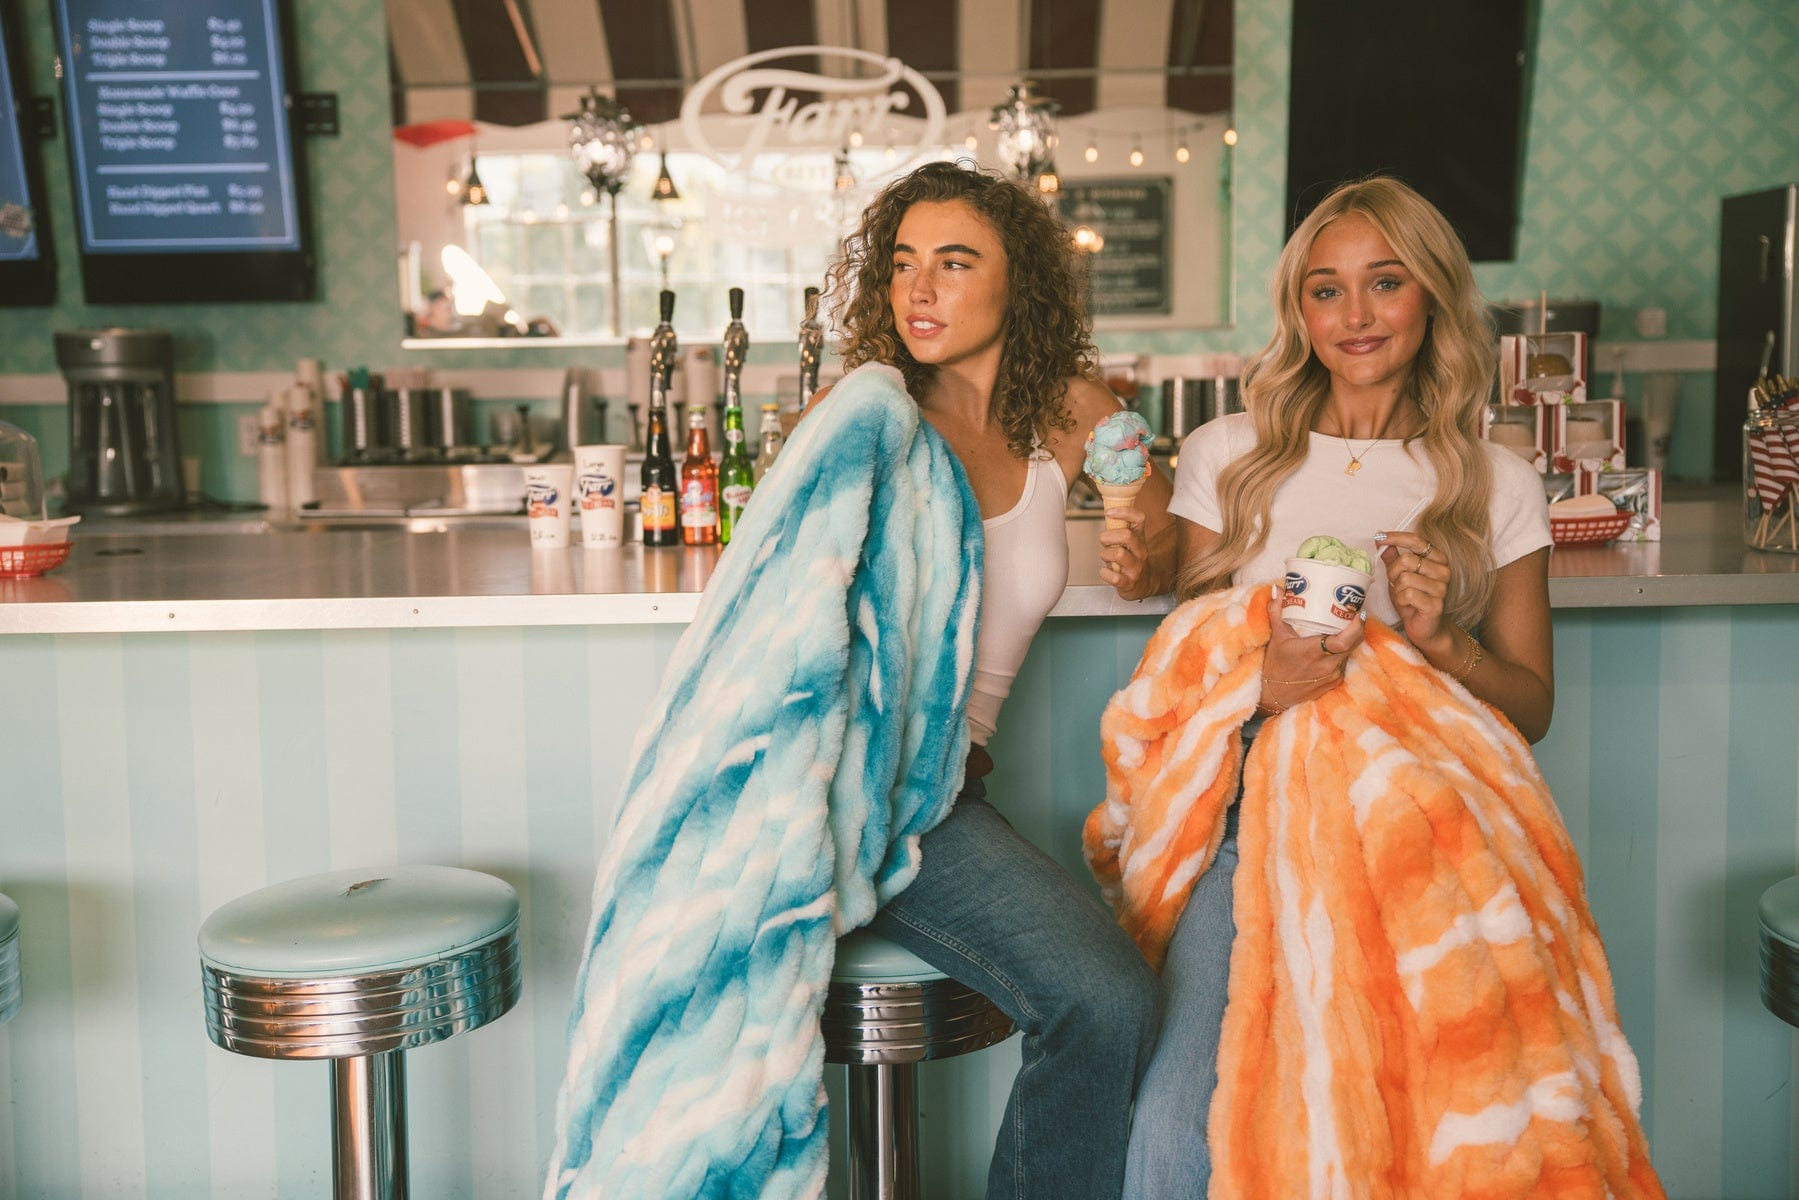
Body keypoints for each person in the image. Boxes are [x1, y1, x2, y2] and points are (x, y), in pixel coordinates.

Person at [1122, 175, 1554, 1197]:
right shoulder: (1228, 458)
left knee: (1399, 1133)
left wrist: (1442, 641)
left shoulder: (1494, 481)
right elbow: (1181, 678)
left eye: (1384, 283)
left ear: (1432, 296)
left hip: (1425, 837)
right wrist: (1266, 686)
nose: (1355, 315)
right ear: (1299, 311)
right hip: (1245, 828)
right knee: (1178, 1131)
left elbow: (1530, 707)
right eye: (1326, 290)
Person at [810, 158, 1178, 1198]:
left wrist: (1140, 542)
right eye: (901, 263)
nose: (917, 290)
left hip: (945, 794)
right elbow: (779, 613)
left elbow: (1155, 529)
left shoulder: (1070, 409)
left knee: (1109, 999)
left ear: (1018, 281)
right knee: (1103, 998)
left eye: (954, 262)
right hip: (854, 792)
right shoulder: (866, 416)